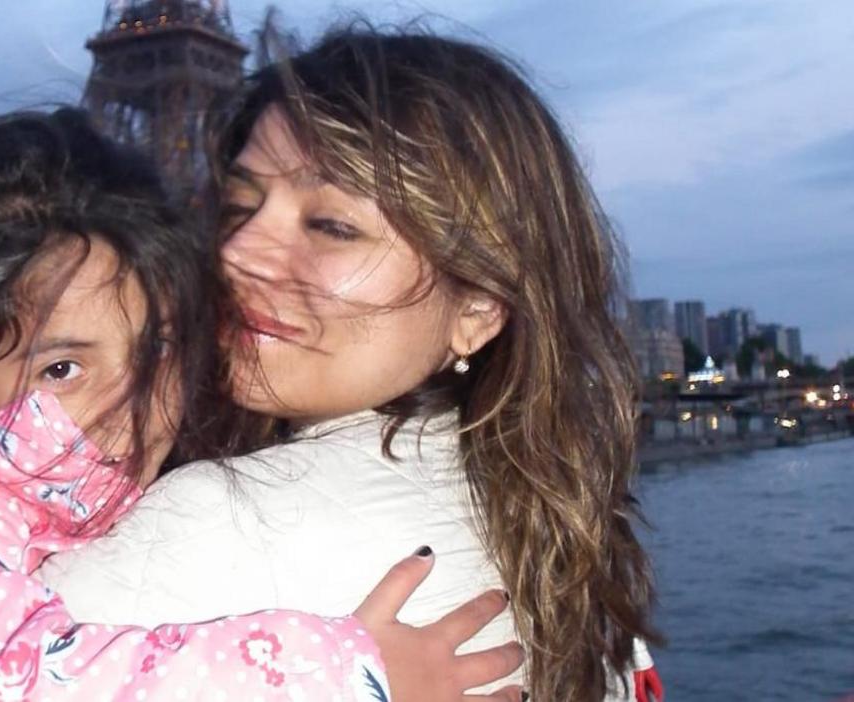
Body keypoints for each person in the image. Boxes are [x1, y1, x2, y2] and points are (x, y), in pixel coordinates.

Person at [0, 108, 524, 701]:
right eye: (60, 370)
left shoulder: (47, 469)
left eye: (159, 349)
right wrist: (343, 674)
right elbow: (0, 687)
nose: (130, 406)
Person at [38, 28, 664, 702]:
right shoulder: (572, 539)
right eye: (242, 204)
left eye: (331, 226)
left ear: (478, 309)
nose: (235, 252)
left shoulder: (220, 521)